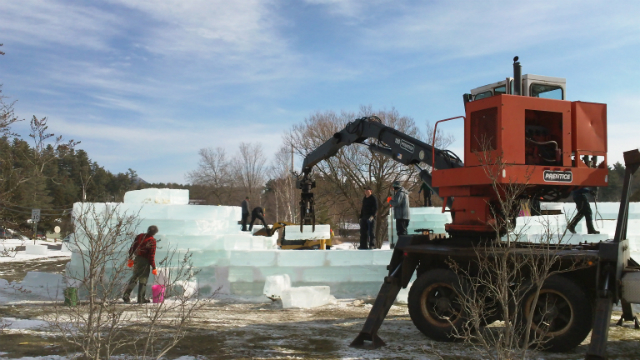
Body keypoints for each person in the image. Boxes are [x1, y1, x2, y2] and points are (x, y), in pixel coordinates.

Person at [123, 225, 158, 304]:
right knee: (143, 280)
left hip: (137, 259)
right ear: (155, 233)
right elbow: (151, 256)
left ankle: (126, 295)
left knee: (134, 278)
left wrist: (130, 258)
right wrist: (154, 267)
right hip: (145, 261)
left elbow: (132, 248)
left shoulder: (140, 236)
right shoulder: (152, 241)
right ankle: (141, 299)